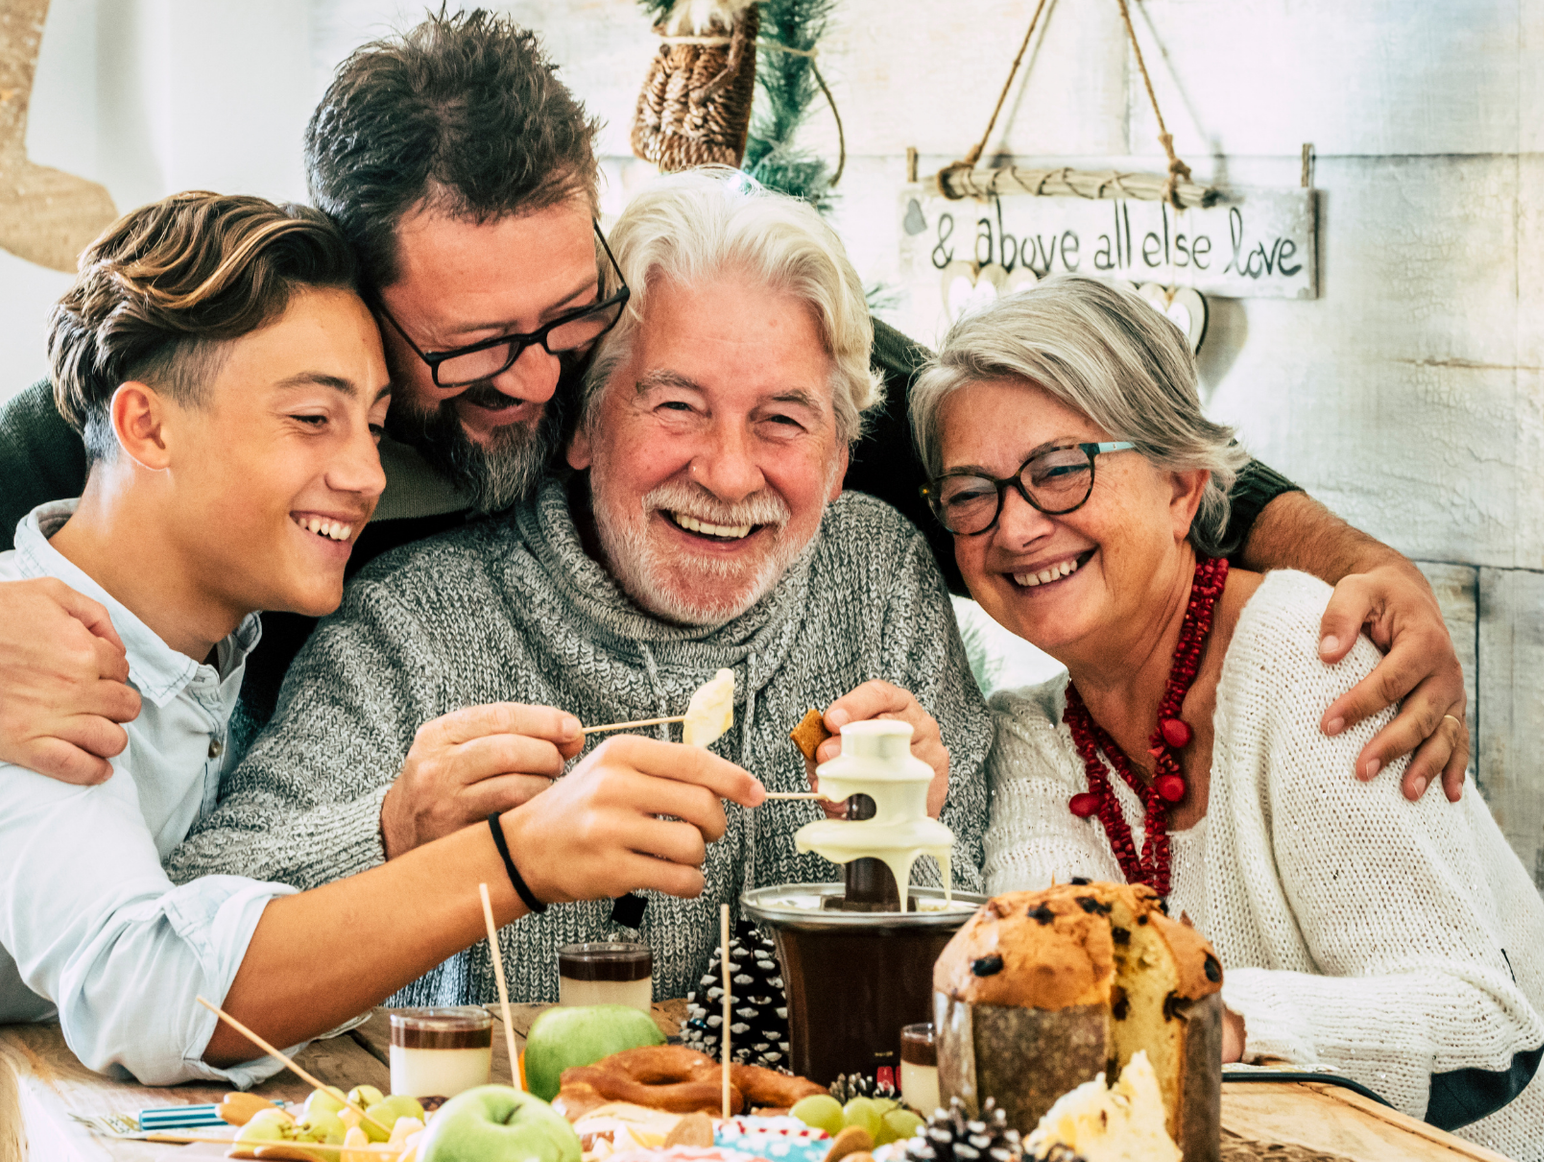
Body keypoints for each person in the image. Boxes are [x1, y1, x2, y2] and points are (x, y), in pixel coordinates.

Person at [0, 10, 1465, 845]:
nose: (540, 380)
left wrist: (1347, 557)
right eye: (472, 350)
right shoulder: (232, 360)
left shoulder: (688, 343)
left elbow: (1043, 431)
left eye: (570, 317)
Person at [0, 193, 762, 1162]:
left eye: (375, 424)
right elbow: (144, 988)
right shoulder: (15, 654)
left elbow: (207, 913)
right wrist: (518, 857)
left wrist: (401, 829)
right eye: (312, 417)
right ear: (146, 426)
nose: (366, 474)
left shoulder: (223, 653)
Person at [909, 276, 1544, 1161]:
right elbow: (1060, 1012)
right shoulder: (1034, 738)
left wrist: (1204, 1016)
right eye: (971, 493)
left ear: (1182, 487)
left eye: (1061, 470)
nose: (1015, 527)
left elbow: (1480, 1027)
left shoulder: (1312, 652)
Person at [164, 167, 989, 1005]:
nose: (732, 475)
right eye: (677, 406)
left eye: (782, 419)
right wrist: (394, 828)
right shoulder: (412, 624)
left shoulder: (878, 577)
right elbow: (191, 929)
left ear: (841, 454)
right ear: (585, 424)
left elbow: (989, 942)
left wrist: (912, 838)